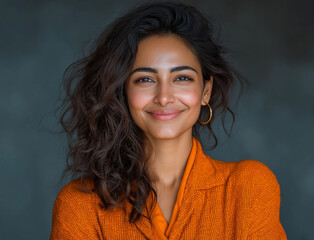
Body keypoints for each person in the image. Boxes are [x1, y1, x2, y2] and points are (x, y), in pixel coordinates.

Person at [50, 2, 287, 239]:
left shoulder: (249, 187)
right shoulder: (80, 205)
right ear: (123, 92)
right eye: (145, 79)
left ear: (205, 91)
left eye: (182, 77)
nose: (164, 97)